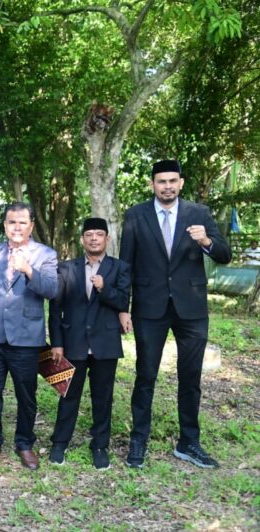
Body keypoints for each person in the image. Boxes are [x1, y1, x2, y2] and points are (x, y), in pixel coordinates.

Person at [120, 159, 231, 469]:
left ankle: (189, 442)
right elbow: (125, 265)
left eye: (172, 181)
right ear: (153, 185)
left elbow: (224, 254)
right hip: (149, 308)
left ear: (181, 183)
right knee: (145, 376)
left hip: (191, 308)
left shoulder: (199, 214)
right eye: (161, 181)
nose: (167, 186)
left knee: (191, 377)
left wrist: (206, 240)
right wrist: (122, 308)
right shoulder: (136, 215)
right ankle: (139, 438)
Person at [0, 202, 58, 470]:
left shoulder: (45, 255)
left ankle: (24, 443)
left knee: (26, 394)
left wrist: (28, 270)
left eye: (23, 222)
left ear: (31, 225)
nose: (17, 227)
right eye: (12, 222)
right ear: (5, 225)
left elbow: (51, 290)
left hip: (26, 337)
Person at [47, 217, 131, 470]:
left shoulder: (120, 268)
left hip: (105, 342)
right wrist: (57, 343)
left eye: (99, 234)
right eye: (89, 234)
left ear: (107, 238)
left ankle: (99, 446)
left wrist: (105, 288)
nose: (94, 238)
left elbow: (123, 302)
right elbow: (55, 310)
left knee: (102, 397)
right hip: (73, 343)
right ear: (82, 239)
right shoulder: (66, 268)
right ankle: (60, 443)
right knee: (68, 395)